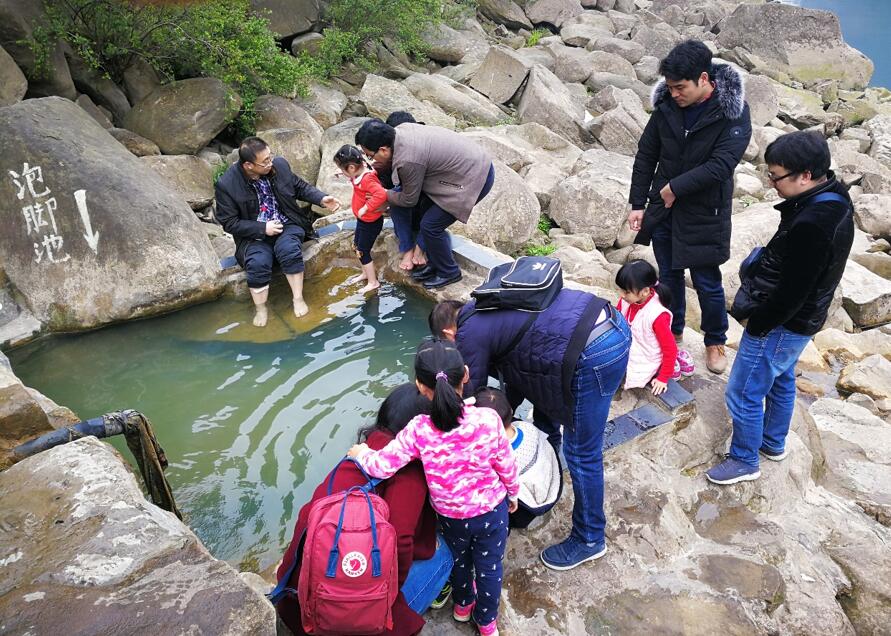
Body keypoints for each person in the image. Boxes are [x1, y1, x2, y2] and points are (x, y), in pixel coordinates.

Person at [429, 289, 631, 571]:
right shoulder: (488, 305)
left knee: (582, 452)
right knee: (549, 413)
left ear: (448, 333)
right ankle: (548, 471)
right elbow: (520, 375)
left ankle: (590, 538)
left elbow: (469, 404)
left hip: (594, 348)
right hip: (610, 322)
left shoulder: (468, 334)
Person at [706, 131, 854, 484]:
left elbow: (793, 292)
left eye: (776, 176)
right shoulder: (834, 197)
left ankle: (744, 460)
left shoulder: (813, 224)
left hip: (783, 322)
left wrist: (758, 325)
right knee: (781, 377)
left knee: (743, 390)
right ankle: (773, 443)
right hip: (806, 320)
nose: (771, 183)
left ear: (805, 175)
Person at [348, 340, 519, 636]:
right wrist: (512, 493)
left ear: (420, 386)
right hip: (491, 512)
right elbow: (506, 465)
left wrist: (362, 453)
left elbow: (381, 466)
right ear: (466, 374)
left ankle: (462, 606)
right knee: (490, 568)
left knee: (460, 562)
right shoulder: (488, 419)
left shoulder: (418, 429)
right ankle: (487, 623)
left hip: (452, 519)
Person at [275, 383, 452, 635]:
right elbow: (401, 542)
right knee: (445, 553)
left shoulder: (358, 455)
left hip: (297, 608)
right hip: (352, 621)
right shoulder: (409, 471)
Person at [627, 39, 752, 374]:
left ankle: (715, 341)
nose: (674, 94)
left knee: (707, 281)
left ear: (703, 79)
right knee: (668, 276)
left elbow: (722, 165)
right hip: (664, 208)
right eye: (669, 87)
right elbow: (646, 155)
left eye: (680, 87)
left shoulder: (732, 112)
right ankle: (673, 330)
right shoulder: (667, 107)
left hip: (705, 211)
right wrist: (638, 203)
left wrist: (675, 188)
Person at [215, 136, 340, 327]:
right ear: (248, 165)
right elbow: (229, 222)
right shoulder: (227, 185)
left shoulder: (279, 165)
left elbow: (299, 187)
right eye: (265, 161)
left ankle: (298, 298)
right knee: (257, 263)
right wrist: (262, 228)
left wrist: (321, 199)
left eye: (270, 157)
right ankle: (261, 308)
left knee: (289, 250)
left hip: (286, 223)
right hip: (253, 236)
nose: (270, 163)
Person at [355, 119, 495, 289]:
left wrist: (384, 195)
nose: (371, 159)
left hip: (474, 176)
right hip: (457, 170)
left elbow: (409, 200)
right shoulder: (400, 131)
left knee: (431, 226)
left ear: (383, 150)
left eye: (370, 155)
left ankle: (449, 272)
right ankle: (435, 263)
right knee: (425, 217)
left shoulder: (408, 160)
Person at [474, 387, 562, 530]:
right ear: (511, 410)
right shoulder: (526, 427)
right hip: (546, 486)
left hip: (521, 507)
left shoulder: (495, 454)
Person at [615, 260, 692, 396]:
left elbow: (670, 348)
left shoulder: (657, 315)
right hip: (633, 344)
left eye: (626, 292)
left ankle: (669, 366)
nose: (621, 295)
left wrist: (663, 378)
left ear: (645, 291)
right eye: (620, 289)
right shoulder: (627, 300)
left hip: (646, 354)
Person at [333, 144, 387, 293]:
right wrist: (342, 172)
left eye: (343, 169)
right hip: (363, 220)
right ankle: (365, 274)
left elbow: (381, 194)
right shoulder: (359, 171)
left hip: (371, 222)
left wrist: (366, 207)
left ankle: (373, 282)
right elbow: (354, 175)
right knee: (356, 246)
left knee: (363, 251)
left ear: (351, 168)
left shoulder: (367, 179)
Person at [381, 111, 427, 272]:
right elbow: (388, 184)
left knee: (432, 217)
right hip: (409, 199)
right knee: (395, 198)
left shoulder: (424, 145)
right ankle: (408, 248)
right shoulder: (390, 152)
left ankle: (420, 248)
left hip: (430, 193)